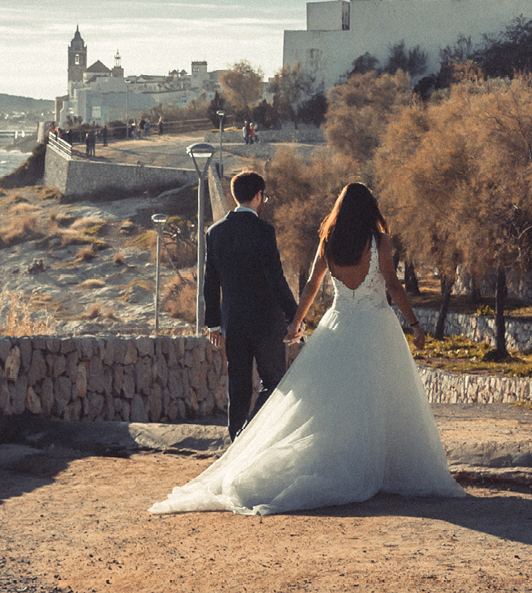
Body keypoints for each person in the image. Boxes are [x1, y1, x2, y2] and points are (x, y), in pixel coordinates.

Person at [151, 182, 464, 516]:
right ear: (369, 208)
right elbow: (393, 286)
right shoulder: (378, 242)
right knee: (382, 395)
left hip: (339, 325)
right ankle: (377, 467)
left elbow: (312, 286)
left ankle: (340, 461)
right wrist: (414, 325)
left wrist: (296, 323)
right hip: (376, 326)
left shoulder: (328, 241)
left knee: (333, 399)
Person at [196, 171, 297, 441]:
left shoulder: (214, 232)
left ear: (235, 195)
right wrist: (294, 315)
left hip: (233, 324)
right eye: (264, 196)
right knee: (274, 383)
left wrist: (214, 323)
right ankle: (247, 435)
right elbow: (276, 279)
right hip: (266, 323)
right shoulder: (264, 231)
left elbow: (210, 281)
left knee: (238, 387)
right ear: (258, 196)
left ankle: (235, 443)